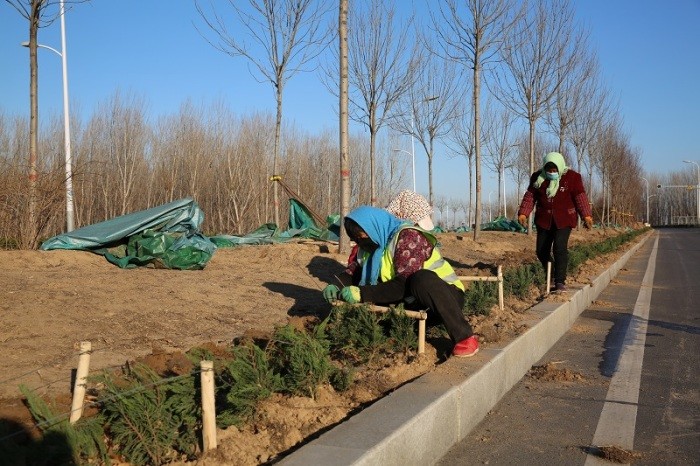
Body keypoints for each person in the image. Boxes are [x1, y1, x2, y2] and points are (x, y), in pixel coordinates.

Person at [323, 205, 479, 357]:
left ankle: (464, 338)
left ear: (373, 228)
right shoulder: (370, 247)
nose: (360, 243)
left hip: (444, 299)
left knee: (420, 278)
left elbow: (401, 284)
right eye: (356, 239)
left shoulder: (408, 237)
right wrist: (336, 285)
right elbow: (354, 272)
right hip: (413, 302)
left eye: (362, 237)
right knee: (378, 316)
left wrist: (361, 293)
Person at [517, 151, 593, 292]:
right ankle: (551, 273)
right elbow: (530, 196)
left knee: (559, 247)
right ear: (544, 168)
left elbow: (580, 197)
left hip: (564, 220)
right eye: (549, 170)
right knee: (541, 250)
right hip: (544, 220)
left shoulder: (572, 177)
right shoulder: (538, 178)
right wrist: (523, 213)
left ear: (560, 167)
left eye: (554, 170)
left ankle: (559, 281)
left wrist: (586, 215)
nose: (552, 173)